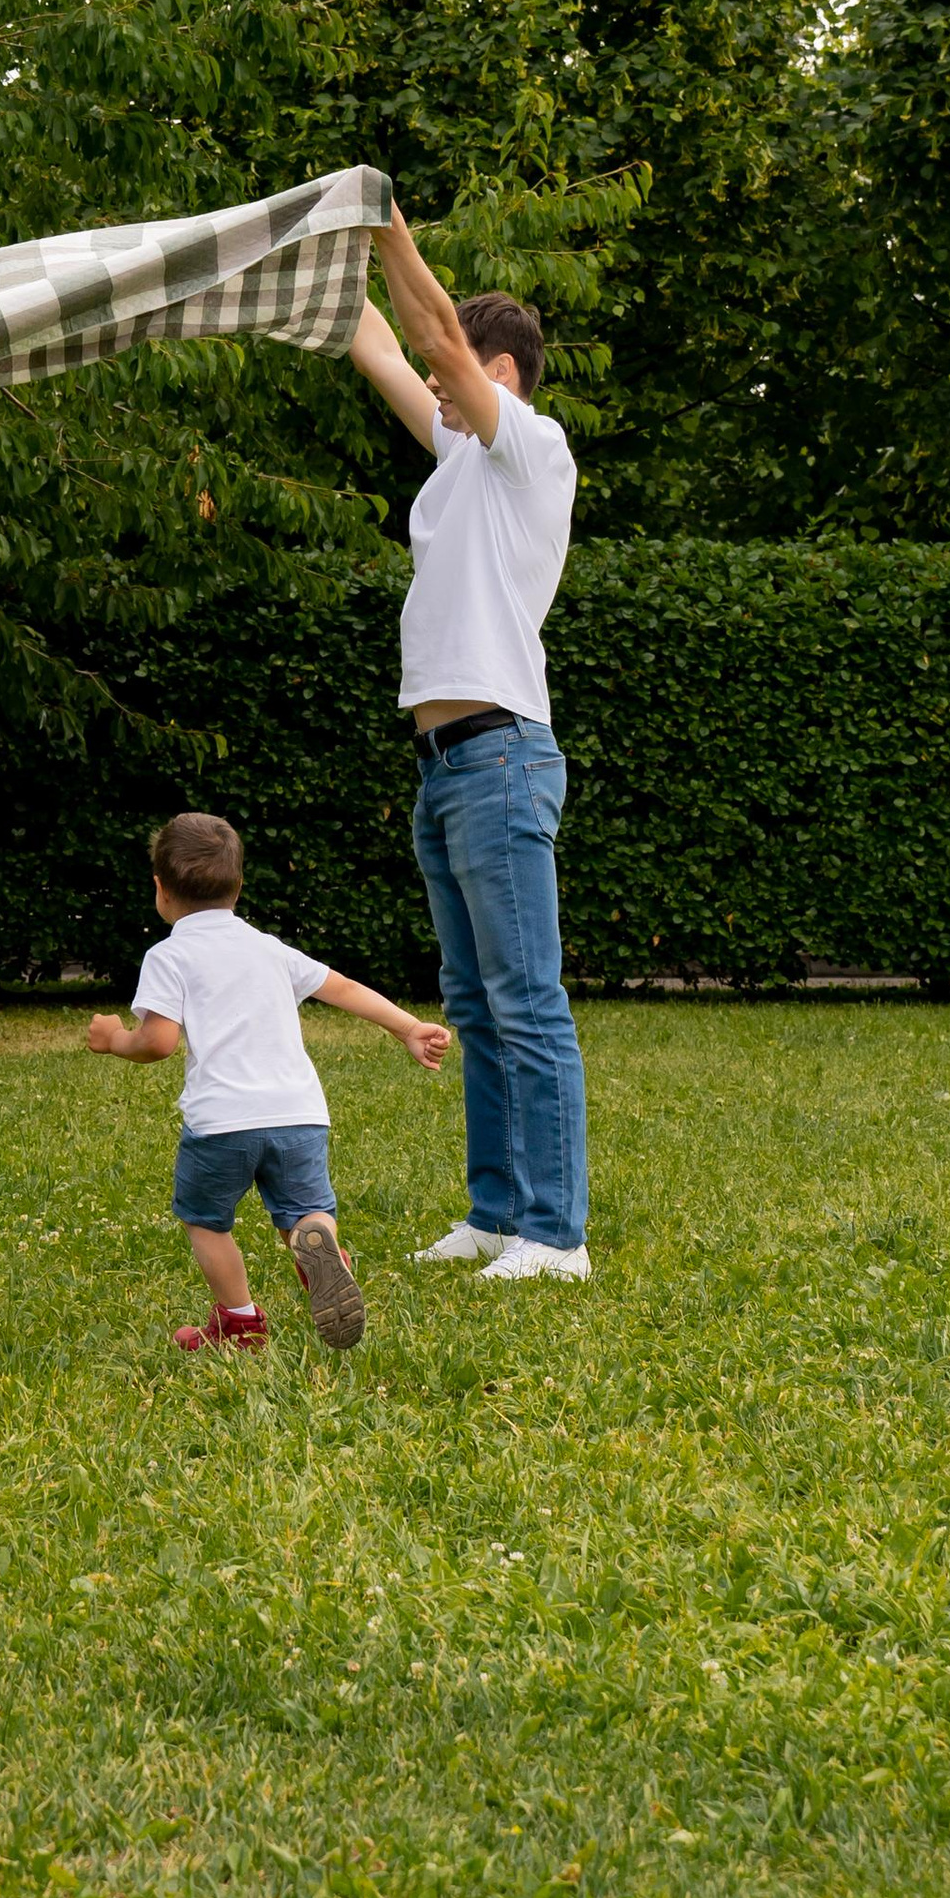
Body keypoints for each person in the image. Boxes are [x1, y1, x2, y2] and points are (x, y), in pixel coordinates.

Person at [345, 206, 590, 1279]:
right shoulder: (459, 462)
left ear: (499, 370)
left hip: (499, 756)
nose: (435, 394)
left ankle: (554, 1234)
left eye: (457, 378)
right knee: (478, 1003)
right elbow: (382, 350)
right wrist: (312, 260)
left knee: (525, 1000)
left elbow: (432, 342)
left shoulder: (529, 448)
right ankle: (496, 1215)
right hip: (445, 770)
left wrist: (391, 231)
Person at [88, 810, 449, 1354]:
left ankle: (239, 1323)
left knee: (206, 1221)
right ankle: (322, 1248)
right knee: (303, 1211)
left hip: (222, 1124)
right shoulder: (269, 947)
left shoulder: (169, 955)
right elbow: (344, 987)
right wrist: (408, 1027)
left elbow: (158, 1041)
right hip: (298, 1114)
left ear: (161, 890)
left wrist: (114, 1038)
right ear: (238, 887)